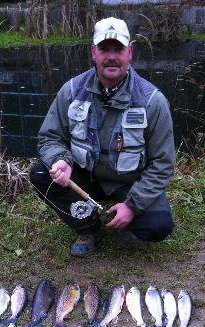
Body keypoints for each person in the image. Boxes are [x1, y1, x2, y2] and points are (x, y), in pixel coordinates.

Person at [31, 17, 176, 257]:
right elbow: (50, 137)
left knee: (157, 226)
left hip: (130, 182)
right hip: (84, 178)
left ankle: (127, 217)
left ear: (130, 52)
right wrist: (60, 160)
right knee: (40, 174)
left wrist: (133, 205)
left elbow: (163, 163)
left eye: (118, 49)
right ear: (93, 53)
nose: (111, 57)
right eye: (104, 49)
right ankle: (88, 227)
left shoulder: (153, 101)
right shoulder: (71, 91)